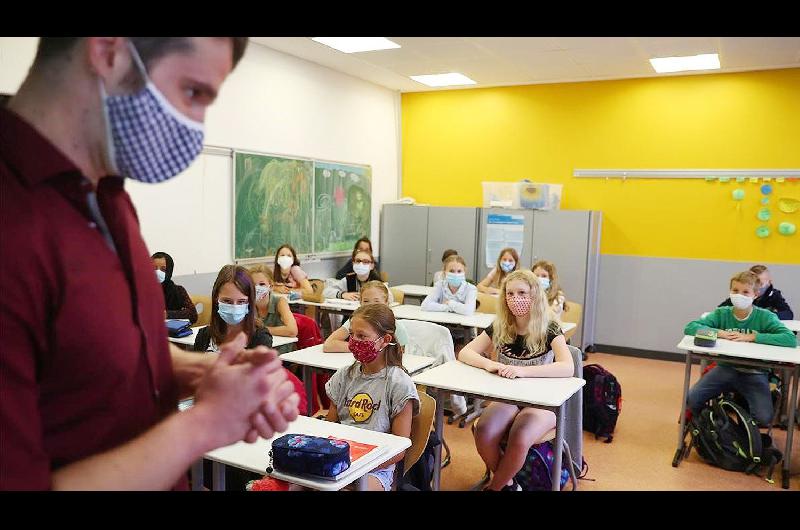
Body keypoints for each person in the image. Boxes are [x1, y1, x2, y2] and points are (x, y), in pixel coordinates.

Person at [1, 37, 299, 490]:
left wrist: (203, 373)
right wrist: (206, 424)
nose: (196, 125)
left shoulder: (107, 196)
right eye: (193, 92)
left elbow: (98, 359)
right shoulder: (15, 219)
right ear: (108, 51)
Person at [458, 270, 573, 491]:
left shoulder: (548, 327)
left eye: (522, 292)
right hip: (509, 397)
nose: (515, 298)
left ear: (534, 295)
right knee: (483, 430)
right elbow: (466, 353)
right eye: (510, 294)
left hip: (542, 401)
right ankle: (509, 484)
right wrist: (488, 364)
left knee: (519, 436)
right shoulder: (501, 325)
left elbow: (568, 366)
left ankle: (495, 487)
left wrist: (522, 371)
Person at [324, 304, 419, 491]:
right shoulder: (344, 376)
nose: (353, 341)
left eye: (362, 336)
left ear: (385, 340)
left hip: (376, 467)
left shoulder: (399, 384)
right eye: (352, 335)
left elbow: (399, 449)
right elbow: (330, 425)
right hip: (338, 457)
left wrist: (358, 467)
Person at [684, 271, 796, 425]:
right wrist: (719, 333)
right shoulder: (722, 313)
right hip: (725, 368)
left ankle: (743, 435)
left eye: (745, 292)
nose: (739, 295)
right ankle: (707, 429)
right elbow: (691, 327)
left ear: (755, 295)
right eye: (735, 291)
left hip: (755, 372)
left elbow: (790, 339)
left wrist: (753, 337)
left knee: (764, 417)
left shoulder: (765, 316)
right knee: (692, 398)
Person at [323, 281, 408, 352]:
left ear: (386, 303)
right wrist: (362, 348)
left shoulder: (395, 326)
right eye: (366, 301)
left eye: (376, 301)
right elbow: (328, 344)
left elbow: (400, 355)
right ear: (360, 303)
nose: (370, 306)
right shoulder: (354, 322)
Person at [249, 264, 298, 354]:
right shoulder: (247, 304)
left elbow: (292, 330)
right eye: (253, 284)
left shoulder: (280, 302)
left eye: (262, 284)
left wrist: (262, 331)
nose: (257, 288)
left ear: (271, 286)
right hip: (257, 351)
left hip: (280, 353)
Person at [718, 264, 793, 320]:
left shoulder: (774, 295)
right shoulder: (741, 295)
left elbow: (788, 313)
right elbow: (719, 311)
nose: (757, 286)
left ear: (769, 282)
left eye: (760, 283)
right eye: (753, 282)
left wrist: (766, 316)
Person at [323, 249, 389, 301]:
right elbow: (325, 292)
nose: (361, 264)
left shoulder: (377, 281)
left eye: (365, 261)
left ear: (372, 265)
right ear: (353, 263)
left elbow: (389, 297)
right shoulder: (348, 279)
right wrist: (342, 294)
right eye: (358, 261)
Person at [152, 251, 198, 323]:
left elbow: (193, 315)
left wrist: (167, 314)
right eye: (154, 269)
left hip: (175, 332)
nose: (158, 272)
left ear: (169, 271)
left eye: (163, 269)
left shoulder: (178, 290)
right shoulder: (141, 291)